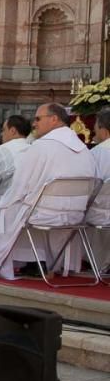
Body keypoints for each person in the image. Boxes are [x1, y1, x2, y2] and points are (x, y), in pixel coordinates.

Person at [0, 103, 98, 279]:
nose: (34, 124)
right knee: (23, 210)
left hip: (42, 214)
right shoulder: (84, 149)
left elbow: (20, 186)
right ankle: (35, 262)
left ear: (54, 119)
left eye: (38, 118)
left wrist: (4, 204)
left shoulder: (42, 147)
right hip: (74, 215)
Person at [0, 114, 31, 199]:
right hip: (26, 206)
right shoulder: (35, 151)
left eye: (3, 130)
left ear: (13, 131)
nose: (1, 134)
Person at [87, 108, 110, 271]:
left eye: (95, 125)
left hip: (98, 212)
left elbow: (87, 188)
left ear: (103, 130)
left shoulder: (95, 154)